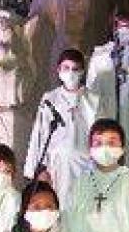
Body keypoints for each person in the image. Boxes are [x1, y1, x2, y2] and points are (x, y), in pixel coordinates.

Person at [24, 48, 98, 202]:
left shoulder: (93, 100)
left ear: (83, 72)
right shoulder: (50, 98)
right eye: (66, 68)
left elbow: (99, 132)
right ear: (59, 70)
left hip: (86, 163)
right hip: (57, 164)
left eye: (75, 69)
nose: (71, 72)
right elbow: (40, 133)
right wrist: (40, 169)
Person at [86, 12, 129, 139]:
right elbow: (91, 89)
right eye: (120, 26)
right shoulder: (100, 55)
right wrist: (93, 116)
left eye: (128, 26)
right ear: (114, 29)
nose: (124, 30)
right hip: (106, 108)